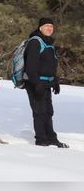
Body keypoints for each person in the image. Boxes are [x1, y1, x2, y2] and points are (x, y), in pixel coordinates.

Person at [24, 18, 68, 148]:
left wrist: (55, 81)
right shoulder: (35, 42)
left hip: (46, 83)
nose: (50, 28)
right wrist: (37, 83)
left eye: (51, 26)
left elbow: (50, 66)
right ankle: (41, 140)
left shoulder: (48, 43)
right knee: (39, 112)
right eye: (47, 26)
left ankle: (51, 138)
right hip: (35, 84)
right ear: (40, 28)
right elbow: (30, 67)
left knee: (48, 112)